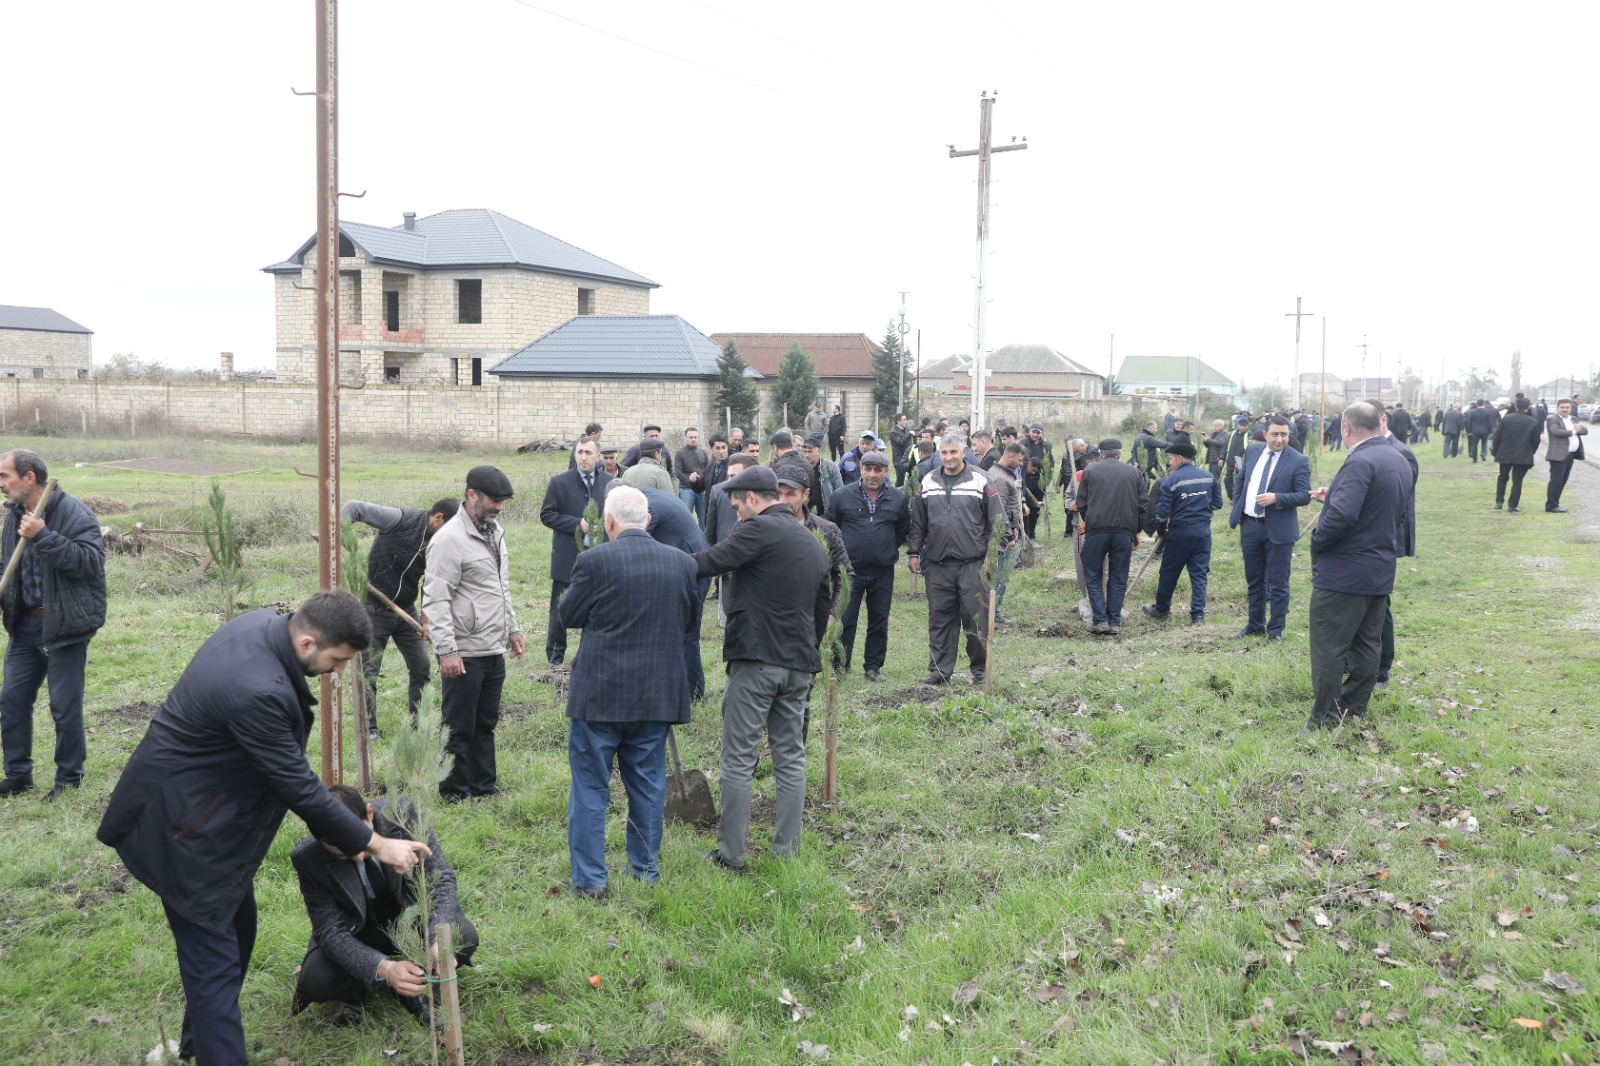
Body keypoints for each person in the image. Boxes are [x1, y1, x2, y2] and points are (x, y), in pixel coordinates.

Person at [96, 590, 431, 1064]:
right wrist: (376, 843)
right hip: (185, 836)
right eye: (337, 660)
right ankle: (213, 1046)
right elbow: (300, 787)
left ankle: (195, 1043)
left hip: (200, 813)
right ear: (308, 642)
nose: (338, 673)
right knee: (212, 968)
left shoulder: (261, 628)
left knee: (241, 927)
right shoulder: (259, 692)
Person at [559, 485, 699, 897]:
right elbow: (689, 623)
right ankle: (644, 872)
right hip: (656, 696)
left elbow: (568, 616)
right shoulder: (681, 563)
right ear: (648, 521)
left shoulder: (593, 560)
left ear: (609, 521)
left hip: (599, 696)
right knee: (648, 787)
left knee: (589, 788)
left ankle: (590, 882)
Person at [692, 465, 830, 871]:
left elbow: (709, 562)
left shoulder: (758, 529)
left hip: (757, 661)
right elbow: (822, 606)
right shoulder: (810, 541)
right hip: (799, 664)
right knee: (790, 756)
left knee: (738, 757)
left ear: (753, 498)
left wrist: (655, 555)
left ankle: (730, 855)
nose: (736, 514)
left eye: (737, 506)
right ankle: (786, 851)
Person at [289, 784, 476, 1028]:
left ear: (369, 813)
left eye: (359, 846)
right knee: (318, 980)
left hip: (411, 915)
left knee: (464, 937)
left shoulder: (404, 815)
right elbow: (330, 932)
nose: (357, 857)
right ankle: (376, 983)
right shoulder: (307, 857)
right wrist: (383, 968)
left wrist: (436, 938)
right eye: (343, 855)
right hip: (359, 931)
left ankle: (415, 981)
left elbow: (440, 881)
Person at [0, 449, 105, 800]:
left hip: (63, 626)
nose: (1, 484)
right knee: (12, 700)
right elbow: (8, 569)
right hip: (25, 626)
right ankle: (17, 775)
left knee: (64, 706)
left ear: (29, 478)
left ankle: (68, 778)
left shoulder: (73, 512)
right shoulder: (13, 515)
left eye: (5, 477)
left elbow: (89, 563)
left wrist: (43, 535)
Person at [1305, 403, 1413, 730]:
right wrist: (1336, 494)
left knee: (1329, 647)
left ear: (1346, 429)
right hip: (1379, 566)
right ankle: (1354, 707)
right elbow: (1382, 507)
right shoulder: (1398, 457)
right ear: (1379, 424)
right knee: (1368, 643)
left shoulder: (1360, 460)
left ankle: (1325, 717)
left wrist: (1318, 539)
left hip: (1344, 573)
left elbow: (1343, 516)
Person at [423, 466, 525, 801]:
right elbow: (436, 599)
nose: (500, 507)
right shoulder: (449, 540)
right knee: (458, 725)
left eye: (503, 502)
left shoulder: (495, 534)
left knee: (486, 723)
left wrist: (512, 628)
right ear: (472, 496)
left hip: (492, 648)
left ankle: (483, 787)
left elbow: (501, 588)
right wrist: (447, 650)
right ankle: (454, 791)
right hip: (464, 650)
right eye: (495, 500)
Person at [341, 495, 459, 737]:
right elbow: (355, 507)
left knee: (421, 667)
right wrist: (337, 535)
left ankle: (419, 723)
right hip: (373, 607)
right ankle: (368, 730)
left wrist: (426, 616)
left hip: (406, 609)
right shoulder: (398, 519)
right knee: (369, 672)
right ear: (438, 518)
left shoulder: (441, 543)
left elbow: (433, 580)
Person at [907, 432, 1005, 683]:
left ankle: (980, 671)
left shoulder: (980, 479)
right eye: (944, 453)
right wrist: (914, 551)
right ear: (939, 454)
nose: (949, 457)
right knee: (940, 618)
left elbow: (997, 521)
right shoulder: (928, 481)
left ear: (963, 452)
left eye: (953, 452)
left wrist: (991, 556)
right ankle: (939, 671)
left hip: (972, 563)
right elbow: (918, 521)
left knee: (975, 618)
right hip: (938, 564)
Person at [825, 450, 910, 682]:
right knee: (846, 618)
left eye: (878, 470)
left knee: (879, 619)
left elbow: (902, 531)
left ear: (886, 472)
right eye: (868, 469)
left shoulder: (899, 499)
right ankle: (840, 665)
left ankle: (873, 666)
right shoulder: (841, 497)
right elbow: (831, 528)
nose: (873, 474)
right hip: (850, 571)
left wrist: (886, 549)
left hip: (883, 571)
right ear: (861, 470)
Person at [1227, 416, 1311, 642]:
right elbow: (1241, 482)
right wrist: (1239, 509)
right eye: (1275, 434)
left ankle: (1275, 631)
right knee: (1255, 580)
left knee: (1278, 583)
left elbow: (1304, 495)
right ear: (1265, 434)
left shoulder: (1298, 460)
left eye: (1284, 434)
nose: (1280, 439)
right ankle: (1255, 625)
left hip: (1279, 530)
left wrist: (1277, 498)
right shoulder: (1253, 453)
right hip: (1251, 526)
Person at [539, 439, 612, 667]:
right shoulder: (559, 483)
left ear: (598, 457)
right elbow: (547, 514)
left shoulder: (610, 484)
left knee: (597, 607)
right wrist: (576, 524)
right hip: (568, 556)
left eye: (588, 452)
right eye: (579, 452)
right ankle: (555, 656)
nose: (583, 457)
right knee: (560, 607)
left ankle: (589, 656)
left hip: (600, 556)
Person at [636, 487, 713, 701]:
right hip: (694, 564)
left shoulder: (647, 507)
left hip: (691, 570)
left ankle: (694, 695)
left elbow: (634, 544)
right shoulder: (654, 494)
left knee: (687, 636)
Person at [1074, 438, 1153, 636]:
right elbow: (1143, 504)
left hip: (1096, 531)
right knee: (1118, 577)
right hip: (1123, 532)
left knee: (1092, 574)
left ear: (1100, 454)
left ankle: (1100, 620)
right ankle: (1114, 621)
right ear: (1119, 454)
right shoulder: (1133, 472)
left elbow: (1081, 502)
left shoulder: (1090, 471)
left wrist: (1090, 521)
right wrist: (1136, 531)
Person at [1141, 442, 1222, 624]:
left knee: (1169, 572)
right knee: (1199, 573)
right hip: (1203, 533)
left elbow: (1162, 513)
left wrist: (1161, 531)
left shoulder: (1171, 481)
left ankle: (1162, 608)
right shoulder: (1208, 477)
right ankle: (1198, 615)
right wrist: (1200, 507)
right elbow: (1218, 503)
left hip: (1179, 532)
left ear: (1179, 458)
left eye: (1170, 459)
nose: (1169, 463)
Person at [986, 443, 1027, 623]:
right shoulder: (1000, 479)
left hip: (1008, 533)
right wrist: (1007, 537)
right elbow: (998, 511)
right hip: (1002, 538)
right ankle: (993, 613)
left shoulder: (1001, 473)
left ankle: (992, 610)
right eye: (1020, 459)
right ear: (1010, 456)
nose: (1021, 463)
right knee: (1000, 576)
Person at [1491, 399, 1541, 512]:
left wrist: (1496, 451)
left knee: (1502, 477)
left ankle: (1499, 501)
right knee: (1517, 481)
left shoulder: (1506, 419)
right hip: (1523, 454)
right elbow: (1535, 441)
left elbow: (1497, 437)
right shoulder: (1533, 422)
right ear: (1528, 406)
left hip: (1505, 452)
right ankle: (1512, 505)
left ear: (1516, 405)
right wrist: (1530, 452)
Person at [1544, 399, 1588, 513]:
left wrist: (1580, 429)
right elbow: (1556, 432)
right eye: (1562, 407)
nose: (1564, 409)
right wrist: (1573, 431)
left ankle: (1555, 503)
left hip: (1570, 455)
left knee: (1563, 480)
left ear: (1570, 408)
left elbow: (1584, 431)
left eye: (1567, 407)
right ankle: (1551, 506)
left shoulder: (1573, 418)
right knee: (1556, 481)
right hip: (1558, 455)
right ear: (1557, 408)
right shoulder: (1552, 419)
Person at [672, 426, 711, 528]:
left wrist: (705, 486)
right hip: (686, 489)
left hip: (702, 491)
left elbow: (708, 470)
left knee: (704, 519)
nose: (693, 439)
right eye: (690, 437)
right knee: (685, 517)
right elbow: (678, 473)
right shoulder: (680, 453)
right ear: (685, 438)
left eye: (695, 437)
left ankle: (703, 541)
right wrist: (691, 482)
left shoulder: (703, 452)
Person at [800, 433, 843, 512]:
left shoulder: (830, 467)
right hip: (805, 512)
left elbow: (840, 491)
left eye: (810, 452)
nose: (806, 455)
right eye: (805, 452)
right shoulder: (800, 468)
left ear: (818, 451)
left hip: (826, 511)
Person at [889, 413, 915, 487]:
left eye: (906, 419)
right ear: (898, 421)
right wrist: (908, 434)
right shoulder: (893, 432)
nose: (906, 421)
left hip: (908, 459)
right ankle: (897, 495)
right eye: (904, 420)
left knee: (912, 477)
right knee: (900, 481)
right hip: (899, 460)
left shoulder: (906, 430)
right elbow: (900, 442)